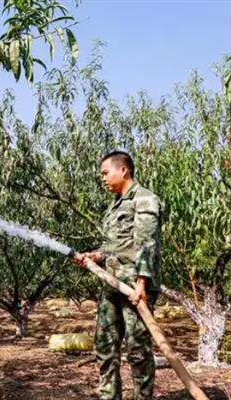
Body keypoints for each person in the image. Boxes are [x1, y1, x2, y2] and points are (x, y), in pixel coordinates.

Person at [72, 150, 161, 400]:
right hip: (111, 285)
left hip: (134, 287)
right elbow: (116, 246)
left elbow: (146, 243)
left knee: (138, 350)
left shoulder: (144, 199)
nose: (102, 178)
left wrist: (142, 283)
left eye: (105, 172)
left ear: (123, 170)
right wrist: (95, 256)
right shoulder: (114, 207)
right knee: (104, 346)